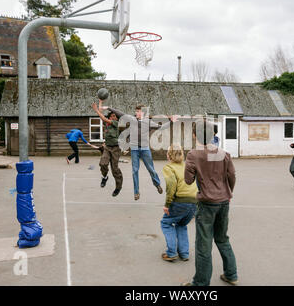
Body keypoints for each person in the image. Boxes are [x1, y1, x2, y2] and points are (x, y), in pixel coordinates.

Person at [182, 120, 237, 286]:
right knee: (222, 239)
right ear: (213, 134)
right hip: (223, 201)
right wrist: (228, 192)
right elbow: (232, 176)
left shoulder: (193, 154)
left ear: (194, 135)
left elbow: (188, 180)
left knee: (203, 246)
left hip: (207, 203)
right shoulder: (224, 153)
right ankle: (231, 274)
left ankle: (200, 283)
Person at [101, 103, 177, 201]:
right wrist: (109, 108)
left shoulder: (148, 122)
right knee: (134, 171)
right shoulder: (132, 120)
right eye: (136, 111)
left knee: (151, 169)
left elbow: (161, 127)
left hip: (145, 149)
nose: (136, 113)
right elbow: (120, 113)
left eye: (138, 111)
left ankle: (157, 184)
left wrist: (171, 121)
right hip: (135, 150)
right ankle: (136, 192)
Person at [160, 145, 198, 262]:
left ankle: (171, 252)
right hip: (194, 202)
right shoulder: (188, 165)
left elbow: (171, 186)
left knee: (166, 223)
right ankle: (184, 253)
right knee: (181, 224)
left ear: (169, 155)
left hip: (180, 201)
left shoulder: (169, 168)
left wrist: (167, 204)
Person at [92, 101, 123, 197]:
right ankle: (105, 177)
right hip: (107, 147)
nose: (114, 117)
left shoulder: (116, 123)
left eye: (115, 116)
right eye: (112, 116)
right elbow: (103, 116)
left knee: (115, 169)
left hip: (116, 149)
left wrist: (96, 110)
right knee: (103, 164)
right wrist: (100, 102)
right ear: (110, 117)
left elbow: (103, 117)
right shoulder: (107, 125)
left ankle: (118, 187)